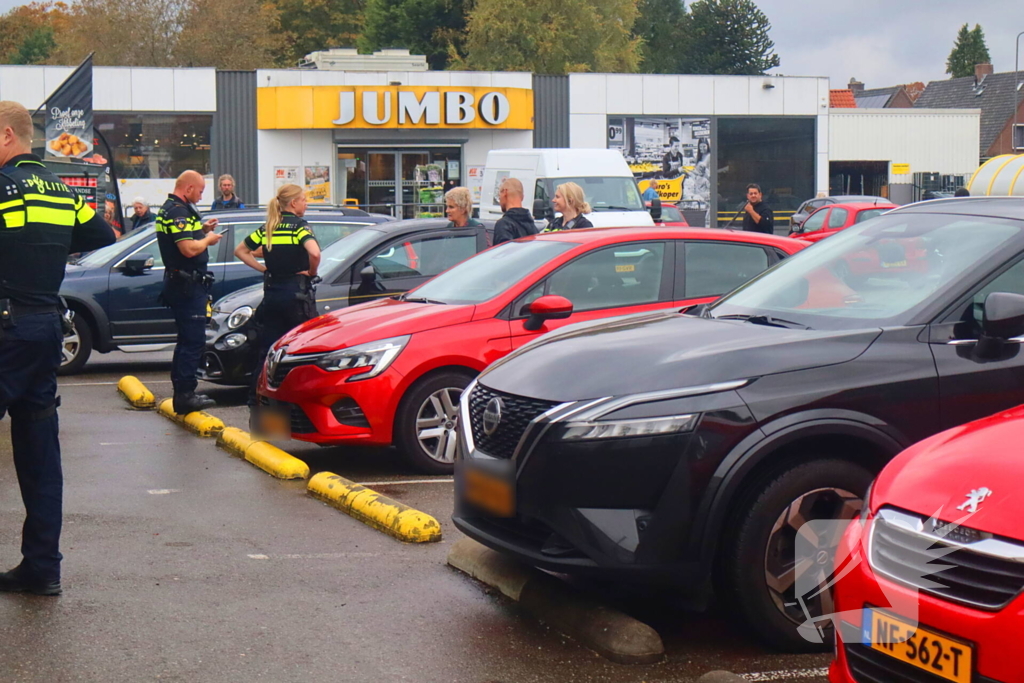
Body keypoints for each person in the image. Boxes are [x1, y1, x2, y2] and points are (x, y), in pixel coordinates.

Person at [0, 100, 115, 596]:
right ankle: (42, 566)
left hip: (5, 327)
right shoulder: (60, 188)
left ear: (6, 136)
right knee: (40, 453)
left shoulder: (4, 186)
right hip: (46, 327)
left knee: (38, 449)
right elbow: (100, 233)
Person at [234, 184, 320, 409]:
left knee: (268, 350)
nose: (306, 204)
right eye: (303, 200)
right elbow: (315, 252)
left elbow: (240, 250)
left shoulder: (269, 227)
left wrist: (263, 269)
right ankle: (298, 403)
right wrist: (312, 272)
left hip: (271, 294)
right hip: (296, 296)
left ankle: (256, 401)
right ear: (293, 203)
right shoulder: (299, 227)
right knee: (303, 349)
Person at [156, 170, 223, 415]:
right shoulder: (178, 211)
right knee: (193, 341)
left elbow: (182, 237)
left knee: (185, 341)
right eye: (200, 190)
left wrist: (202, 230)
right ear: (188, 188)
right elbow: (186, 249)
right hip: (187, 285)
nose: (201, 194)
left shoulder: (170, 208)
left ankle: (183, 393)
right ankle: (185, 395)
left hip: (181, 283)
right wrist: (208, 240)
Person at [493, 177, 538, 245]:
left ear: (505, 192)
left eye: (499, 195)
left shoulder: (504, 224)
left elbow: (502, 253)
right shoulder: (532, 226)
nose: (499, 199)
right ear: (522, 197)